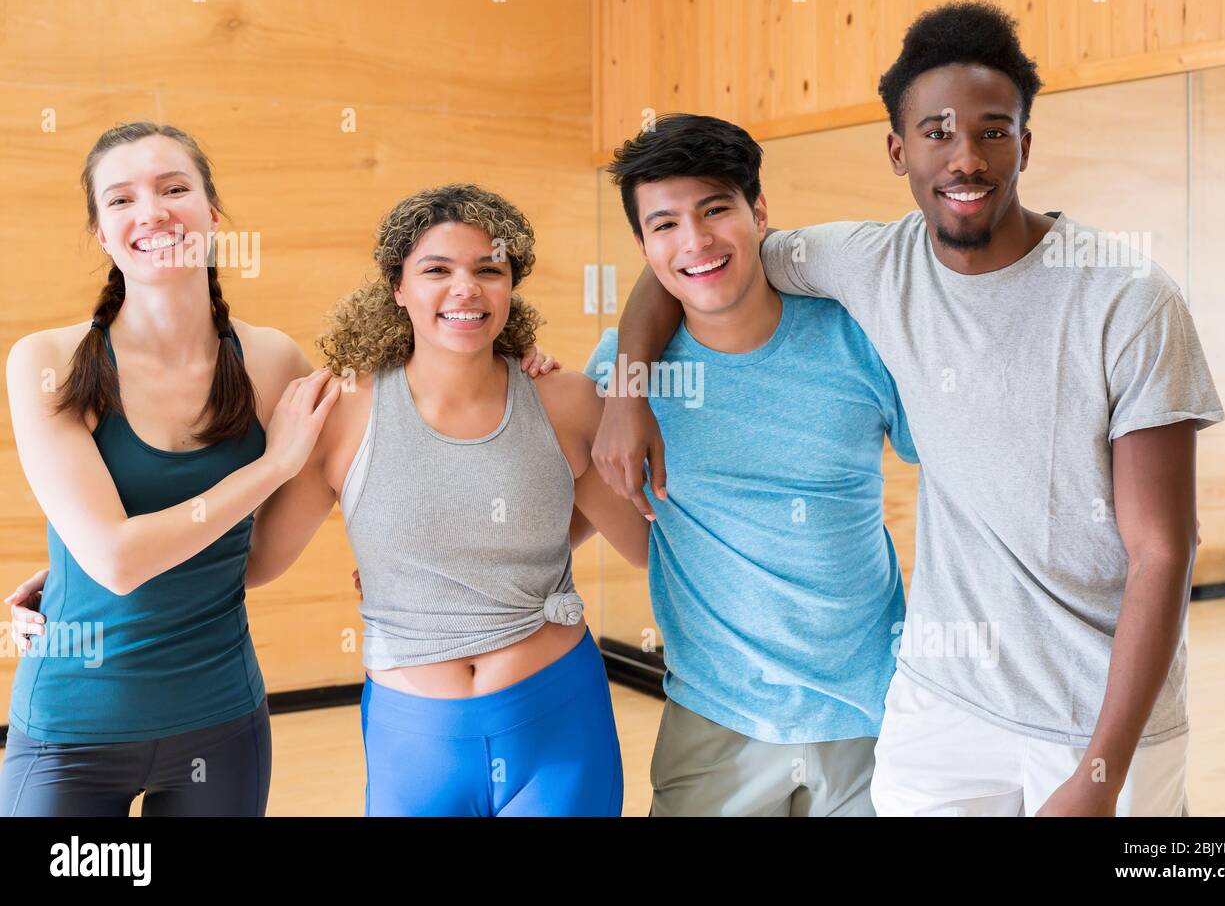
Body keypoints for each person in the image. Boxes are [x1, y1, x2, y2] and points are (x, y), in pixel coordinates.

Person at [595, 2, 1223, 816]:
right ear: (898, 149)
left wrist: (1100, 774)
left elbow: (1164, 551)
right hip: (941, 708)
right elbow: (689, 261)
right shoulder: (867, 263)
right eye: (936, 132)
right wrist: (628, 387)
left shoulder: (1128, 300)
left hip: (1089, 714)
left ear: (1026, 142)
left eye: (993, 131)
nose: (965, 157)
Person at [224, 183, 648, 816]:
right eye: (437, 270)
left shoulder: (565, 402)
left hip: (558, 718)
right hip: (414, 738)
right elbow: (254, 564)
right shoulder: (341, 414)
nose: (466, 287)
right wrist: (73, 578)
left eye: (489, 270)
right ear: (398, 288)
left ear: (511, 285)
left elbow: (640, 544)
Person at [0, 121, 341, 816]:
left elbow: (257, 559)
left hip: (220, 722)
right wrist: (273, 466)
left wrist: (517, 360)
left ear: (213, 216)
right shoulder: (46, 362)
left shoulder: (273, 362)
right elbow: (117, 563)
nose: (151, 211)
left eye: (173, 188)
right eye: (121, 199)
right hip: (71, 731)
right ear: (103, 234)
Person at [585, 113, 916, 816]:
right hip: (715, 720)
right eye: (665, 224)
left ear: (758, 211)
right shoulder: (622, 373)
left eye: (715, 210)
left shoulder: (858, 338)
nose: (696, 241)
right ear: (644, 244)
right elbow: (556, 479)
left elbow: (963, 471)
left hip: (872, 713)